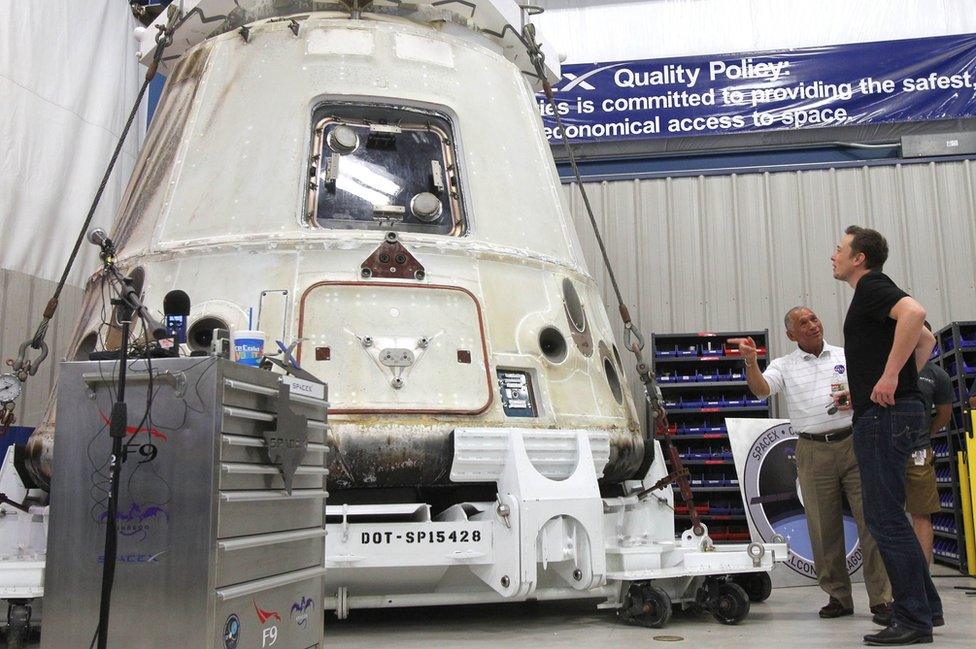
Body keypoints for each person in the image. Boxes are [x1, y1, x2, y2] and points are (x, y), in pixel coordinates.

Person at [731, 308, 892, 622]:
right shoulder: (784, 365)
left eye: (814, 318)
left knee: (871, 521)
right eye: (802, 323)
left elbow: (872, 390)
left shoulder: (847, 356)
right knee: (822, 526)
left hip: (854, 442)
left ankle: (882, 599)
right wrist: (751, 362)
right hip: (812, 449)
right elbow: (761, 390)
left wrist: (856, 399)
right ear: (791, 334)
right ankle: (838, 596)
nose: (812, 325)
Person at [832, 225, 943, 646]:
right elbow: (927, 338)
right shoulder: (874, 292)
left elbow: (916, 316)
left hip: (884, 417)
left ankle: (914, 620)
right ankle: (925, 607)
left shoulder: (873, 286)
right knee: (891, 516)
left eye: (839, 249)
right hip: (890, 411)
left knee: (884, 518)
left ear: (859, 258)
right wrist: (873, 382)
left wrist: (892, 376)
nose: (834, 255)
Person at [908, 322, 952, 565]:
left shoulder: (937, 375)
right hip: (885, 452)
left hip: (918, 453)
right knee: (884, 516)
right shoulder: (887, 366)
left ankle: (922, 575)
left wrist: (927, 434)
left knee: (921, 514)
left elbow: (944, 414)